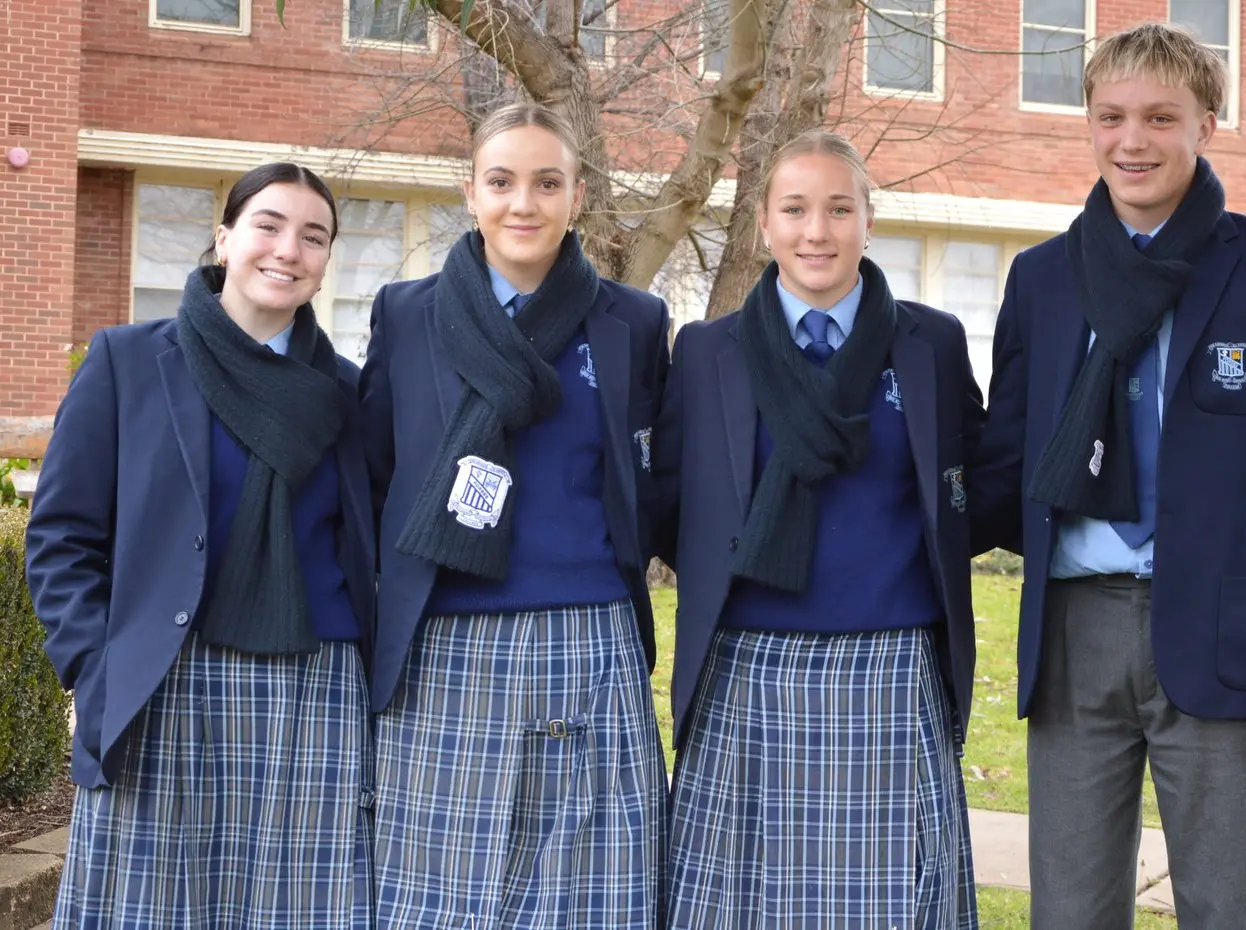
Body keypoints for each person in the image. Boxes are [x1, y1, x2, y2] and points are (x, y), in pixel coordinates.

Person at [972, 22, 1246, 929]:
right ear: (1088, 124)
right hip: (1073, 632)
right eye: (1110, 116)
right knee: (1068, 910)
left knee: (1230, 907)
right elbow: (999, 464)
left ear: (1206, 124)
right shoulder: (1041, 279)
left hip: (1223, 635)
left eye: (1159, 117)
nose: (1131, 140)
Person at [27, 162, 378, 928]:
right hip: (165, 683)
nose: (289, 249)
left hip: (317, 688)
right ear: (224, 238)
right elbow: (61, 537)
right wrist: (93, 669)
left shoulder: (352, 395)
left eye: (313, 237)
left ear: (325, 261)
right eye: (268, 225)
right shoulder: (128, 361)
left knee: (301, 909)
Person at [653, 130, 982, 928]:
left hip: (890, 667)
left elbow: (976, 487)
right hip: (746, 663)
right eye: (794, 209)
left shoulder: (929, 343)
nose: (816, 231)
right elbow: (665, 499)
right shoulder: (706, 351)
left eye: (839, 209)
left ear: (868, 221)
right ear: (764, 223)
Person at [363, 102, 671, 929]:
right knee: (436, 898)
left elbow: (651, 479)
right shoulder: (405, 312)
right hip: (443, 640)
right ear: (471, 192)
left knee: (589, 896)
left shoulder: (633, 322)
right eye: (500, 182)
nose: (522, 204)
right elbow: (372, 474)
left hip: (588, 637)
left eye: (546, 182)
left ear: (577, 195)